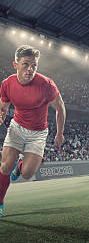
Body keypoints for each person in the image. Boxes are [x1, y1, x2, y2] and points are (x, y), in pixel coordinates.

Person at [0, 45, 66, 217]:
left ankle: (20, 166)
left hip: (38, 133)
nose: (30, 69)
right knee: (5, 167)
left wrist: (60, 133)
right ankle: (0, 202)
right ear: (16, 65)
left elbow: (60, 107)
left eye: (34, 65)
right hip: (17, 127)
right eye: (26, 64)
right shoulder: (7, 84)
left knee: (27, 174)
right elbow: (3, 105)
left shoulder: (46, 85)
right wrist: (1, 114)